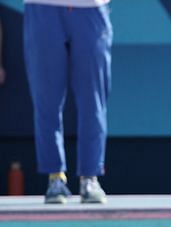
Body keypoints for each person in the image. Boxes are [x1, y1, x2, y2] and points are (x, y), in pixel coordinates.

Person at [23, 0, 112, 204]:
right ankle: (55, 178)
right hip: (43, 6)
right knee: (47, 100)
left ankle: (90, 177)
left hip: (90, 8)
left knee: (93, 101)